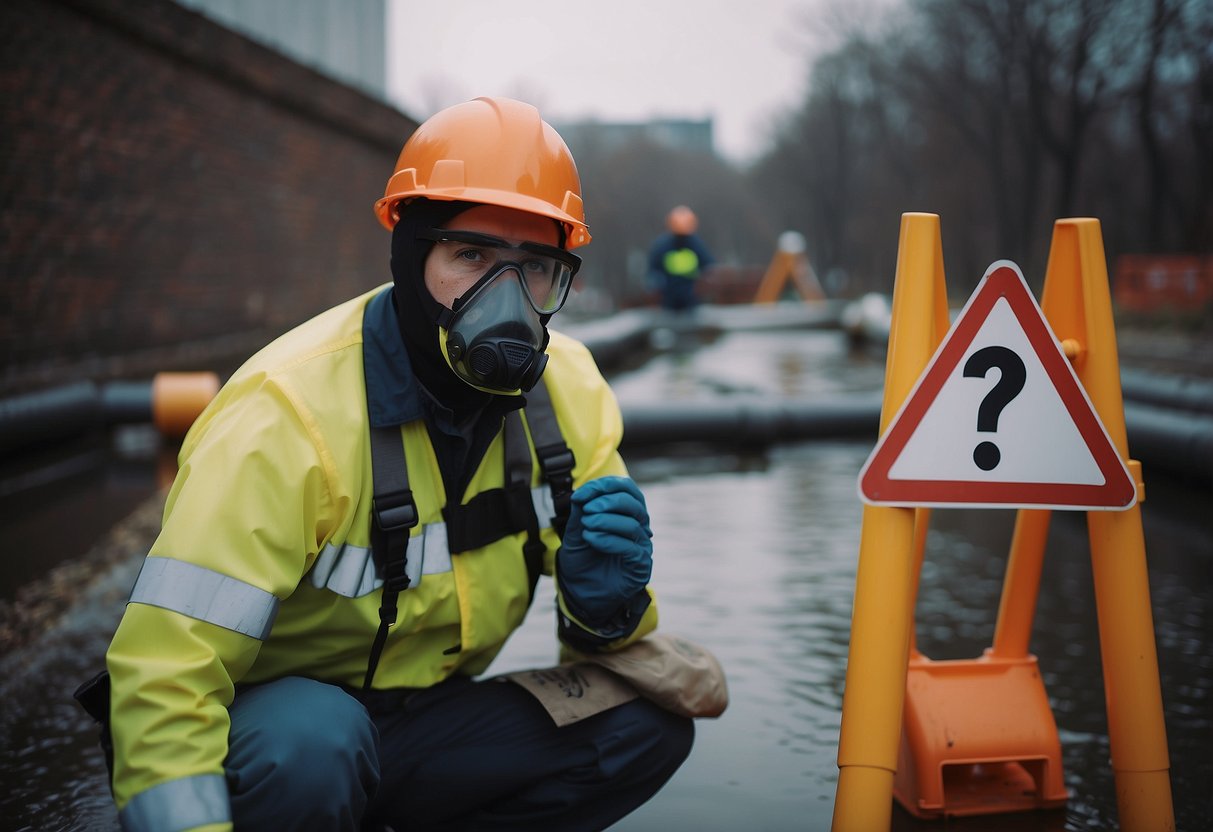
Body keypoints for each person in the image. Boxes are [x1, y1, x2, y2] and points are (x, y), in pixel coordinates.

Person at [92, 97, 694, 832]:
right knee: (313, 744)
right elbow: (165, 677)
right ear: (412, 260)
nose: (503, 302)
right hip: (274, 730)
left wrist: (605, 610)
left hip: (430, 714)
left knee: (645, 719)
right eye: (470, 256)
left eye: (533, 267)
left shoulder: (569, 390)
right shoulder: (286, 413)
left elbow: (601, 651)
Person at [647, 205, 715, 312]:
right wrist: (657, 284)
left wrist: (703, 282)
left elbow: (708, 266)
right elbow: (653, 269)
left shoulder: (695, 245)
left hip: (691, 295)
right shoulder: (663, 246)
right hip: (668, 295)